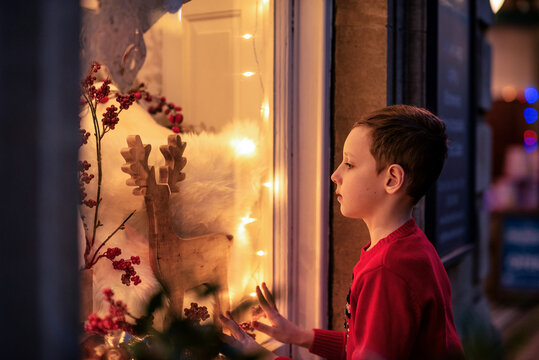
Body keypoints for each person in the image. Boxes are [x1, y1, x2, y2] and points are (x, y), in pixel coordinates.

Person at [220, 105, 465, 360]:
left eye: (349, 163)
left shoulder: (387, 270)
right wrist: (299, 336)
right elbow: (368, 346)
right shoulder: (411, 247)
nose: (335, 174)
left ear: (392, 179)